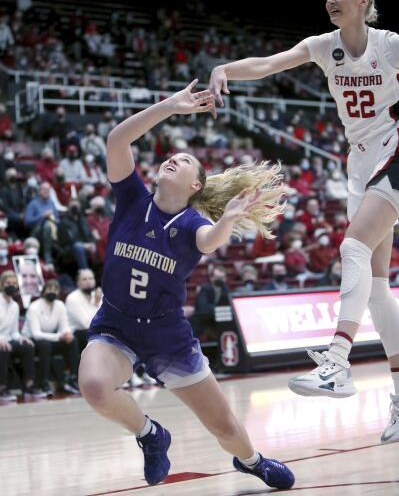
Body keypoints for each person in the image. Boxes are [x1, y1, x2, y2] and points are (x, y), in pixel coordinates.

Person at [209, 0, 399, 444]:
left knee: (352, 246)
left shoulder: (390, 44)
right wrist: (226, 69)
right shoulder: (322, 45)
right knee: (376, 288)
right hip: (360, 160)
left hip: (395, 146)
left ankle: (337, 363)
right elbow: (270, 63)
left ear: (364, 2)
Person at [78, 80, 294, 489]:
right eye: (171, 157)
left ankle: (252, 461)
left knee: (224, 425)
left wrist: (227, 221)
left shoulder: (194, 224)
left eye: (184, 161)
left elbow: (209, 242)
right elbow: (116, 138)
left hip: (166, 334)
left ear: (196, 185)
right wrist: (170, 107)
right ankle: (150, 435)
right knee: (93, 386)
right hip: (116, 324)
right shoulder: (132, 199)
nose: (173, 160)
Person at [22, 279, 80, 396]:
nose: (52, 291)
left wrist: (67, 334)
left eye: (55, 289)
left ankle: (73, 378)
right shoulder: (34, 307)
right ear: (43, 291)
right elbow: (36, 334)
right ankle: (42, 382)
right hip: (31, 340)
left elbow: (65, 326)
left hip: (50, 337)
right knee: (45, 345)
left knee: (72, 341)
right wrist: (59, 336)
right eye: (49, 288)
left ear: (59, 292)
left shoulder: (60, 305)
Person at [0, 271, 46, 400]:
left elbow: (14, 331)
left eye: (14, 283)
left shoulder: (15, 306)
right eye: (8, 283)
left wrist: (20, 337)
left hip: (8, 340)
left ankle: (29, 386)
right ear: (1, 284)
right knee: (2, 348)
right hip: (1, 342)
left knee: (27, 346)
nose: (12, 285)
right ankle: (2, 388)